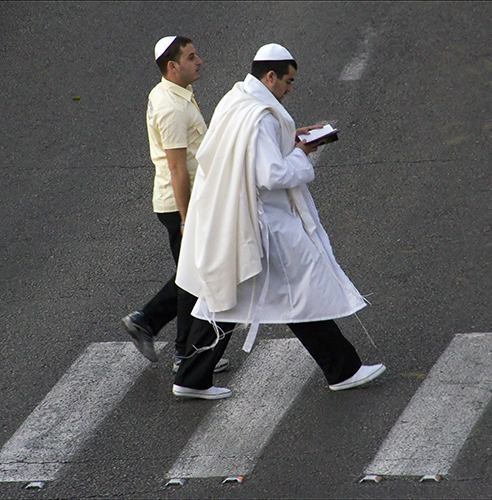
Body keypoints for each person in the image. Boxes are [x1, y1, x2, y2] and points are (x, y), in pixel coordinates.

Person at [171, 43, 385, 400]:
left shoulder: (237, 100)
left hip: (234, 217)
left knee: (227, 297)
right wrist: (300, 153)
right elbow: (270, 173)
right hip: (262, 224)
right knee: (302, 287)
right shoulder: (261, 116)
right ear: (270, 76)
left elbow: (245, 150)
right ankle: (343, 369)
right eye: (288, 81)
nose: (289, 88)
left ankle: (192, 378)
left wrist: (291, 137)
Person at [122, 36, 227, 375]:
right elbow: (177, 167)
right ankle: (185, 354)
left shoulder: (173, 94)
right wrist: (187, 219)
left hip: (190, 201)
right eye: (192, 57)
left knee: (192, 275)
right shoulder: (171, 107)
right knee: (195, 278)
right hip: (182, 204)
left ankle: (148, 322)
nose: (200, 61)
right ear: (173, 66)